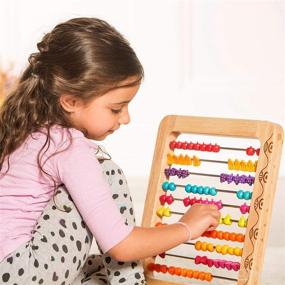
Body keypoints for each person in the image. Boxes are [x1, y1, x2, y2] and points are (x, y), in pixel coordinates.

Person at [0, 17, 220, 285]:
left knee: (96, 269)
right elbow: (121, 246)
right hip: (23, 270)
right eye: (116, 108)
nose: (125, 118)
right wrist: (186, 228)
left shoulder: (27, 127)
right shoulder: (68, 147)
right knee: (106, 171)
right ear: (70, 100)